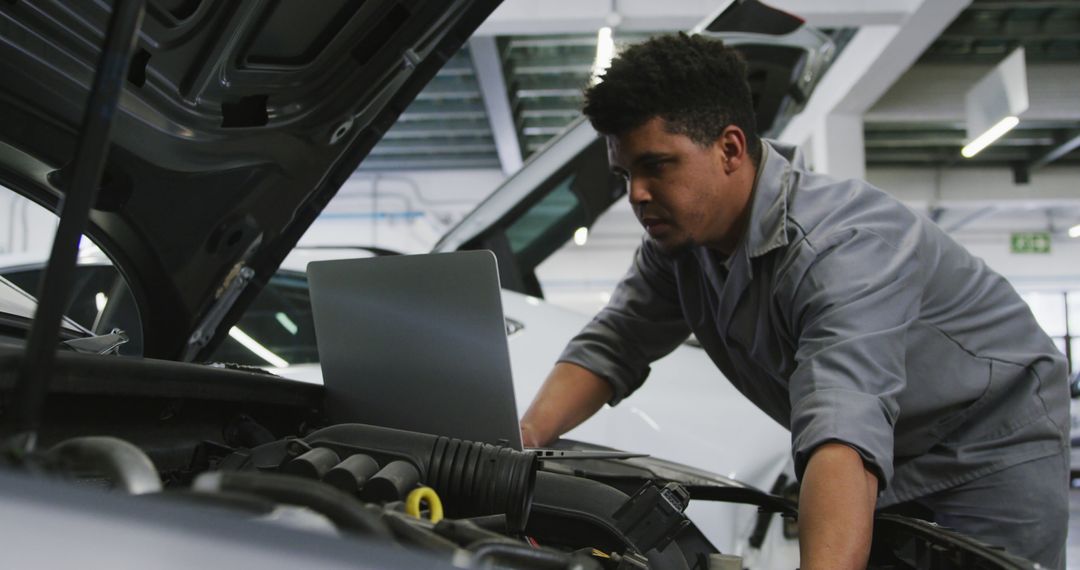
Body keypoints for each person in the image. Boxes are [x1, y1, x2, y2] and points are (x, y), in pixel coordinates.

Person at [518, 33, 1069, 570]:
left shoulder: (840, 247)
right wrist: (520, 441)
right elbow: (616, 340)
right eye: (625, 173)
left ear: (730, 148)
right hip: (890, 459)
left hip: (987, 452)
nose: (636, 193)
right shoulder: (682, 246)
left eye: (657, 165)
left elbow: (842, 426)